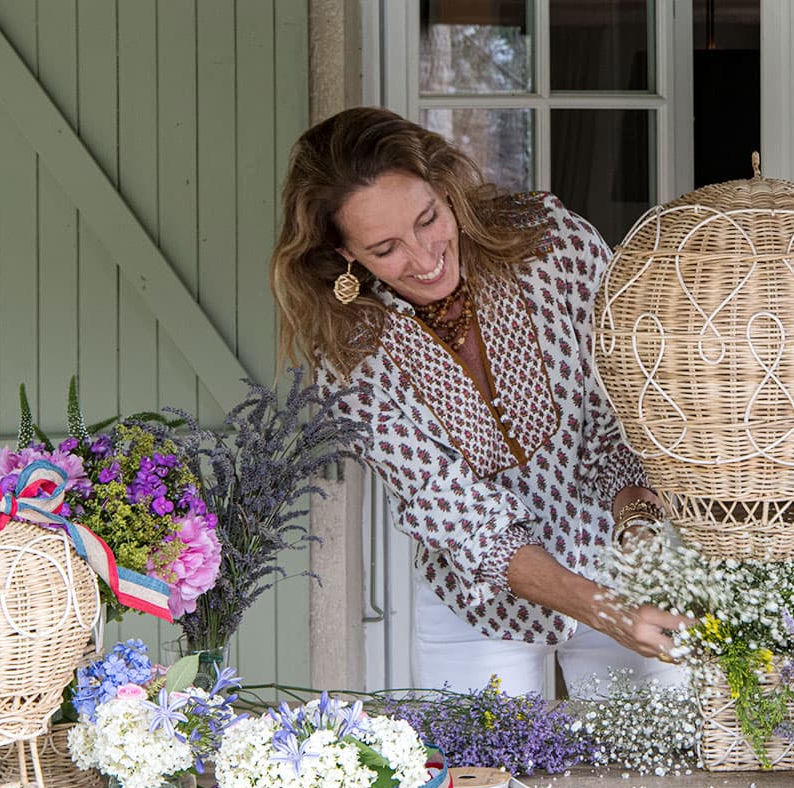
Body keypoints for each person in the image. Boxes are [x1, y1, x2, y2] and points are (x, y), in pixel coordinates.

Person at [270, 106, 689, 695]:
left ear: (444, 188)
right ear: (345, 253)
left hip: (620, 561)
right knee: (487, 781)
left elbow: (616, 414)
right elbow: (463, 520)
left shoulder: (550, 243)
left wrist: (640, 535)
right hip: (476, 601)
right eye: (385, 248)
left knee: (659, 762)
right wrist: (603, 610)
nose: (422, 258)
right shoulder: (348, 358)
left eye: (428, 219)